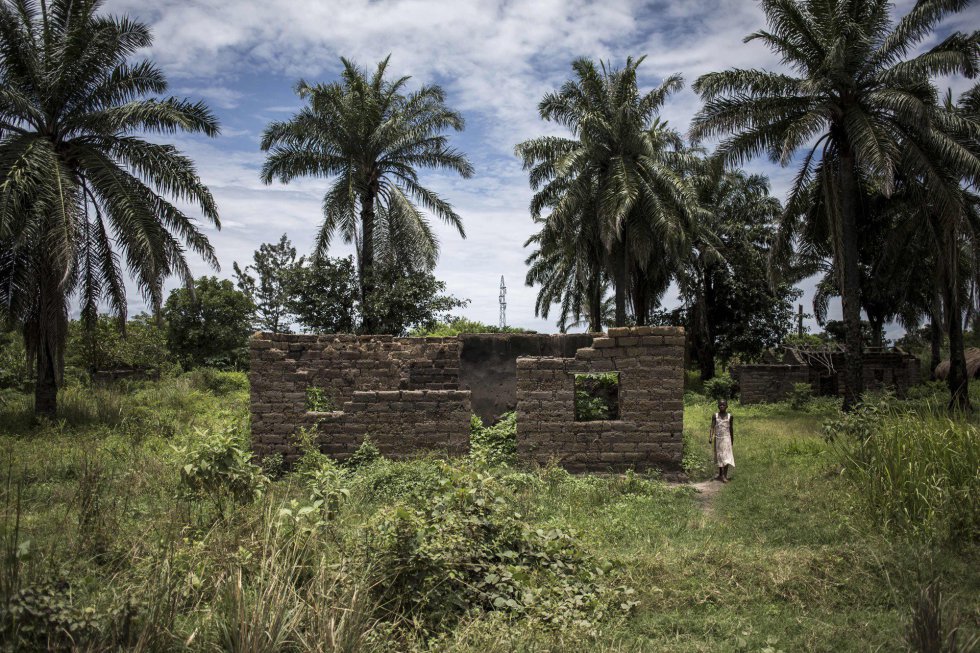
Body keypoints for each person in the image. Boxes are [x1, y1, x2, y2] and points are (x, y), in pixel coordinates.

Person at [709, 399, 735, 483]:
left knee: (727, 457)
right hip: (718, 439)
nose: (722, 406)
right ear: (718, 406)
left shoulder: (730, 416)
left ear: (727, 406)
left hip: (727, 438)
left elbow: (731, 428)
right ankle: (721, 474)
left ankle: (725, 475)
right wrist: (710, 436)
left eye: (723, 405)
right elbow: (712, 427)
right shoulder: (715, 416)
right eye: (720, 405)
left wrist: (732, 438)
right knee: (720, 456)